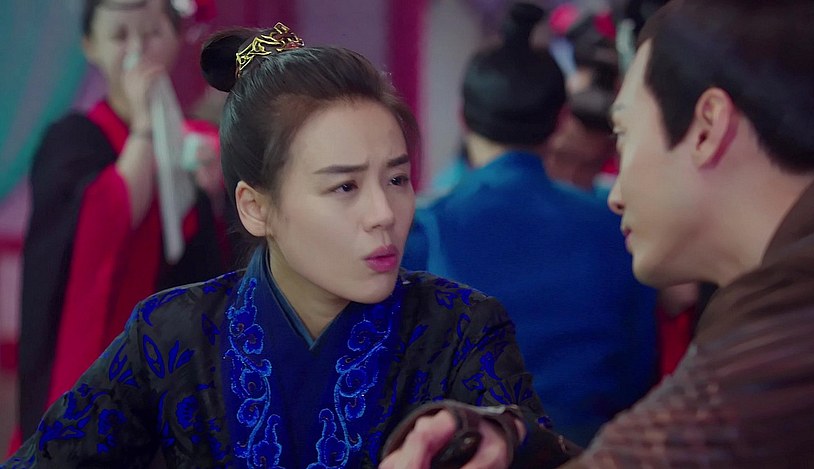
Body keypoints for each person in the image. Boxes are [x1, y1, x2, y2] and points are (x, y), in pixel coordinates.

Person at [3, 22, 578, 468]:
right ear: (256, 207)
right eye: (345, 186)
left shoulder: (462, 328)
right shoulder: (171, 335)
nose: (384, 214)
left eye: (398, 178)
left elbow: (549, 451)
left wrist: (504, 433)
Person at [382, 0, 814, 466]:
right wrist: (515, 437)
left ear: (706, 128)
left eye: (623, 134)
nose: (614, 195)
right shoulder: (795, 290)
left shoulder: (797, 319)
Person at [402, 2, 657, 447]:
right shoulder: (614, 227)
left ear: (463, 117)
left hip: (463, 450)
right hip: (592, 450)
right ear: (560, 121)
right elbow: (639, 372)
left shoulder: (424, 229)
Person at [15, 0, 229, 448]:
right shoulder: (72, 139)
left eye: (152, 33)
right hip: (97, 354)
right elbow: (106, 222)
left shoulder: (199, 141)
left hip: (171, 356)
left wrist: (216, 193)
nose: (137, 49)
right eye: (119, 36)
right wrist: (145, 127)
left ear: (176, 39)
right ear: (90, 46)